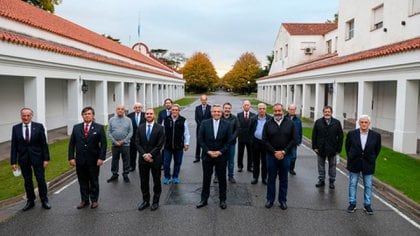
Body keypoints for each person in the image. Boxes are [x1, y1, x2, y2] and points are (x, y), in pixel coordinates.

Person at [10, 108, 51, 211]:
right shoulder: (16, 128)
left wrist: (46, 159)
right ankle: (30, 201)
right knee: (27, 180)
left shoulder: (39, 126)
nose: (26, 117)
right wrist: (14, 161)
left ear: (31, 116)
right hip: (23, 159)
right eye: (24, 115)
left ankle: (44, 200)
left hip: (38, 158)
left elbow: (43, 144)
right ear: (21, 116)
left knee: (40, 179)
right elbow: (14, 146)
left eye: (28, 115)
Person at [68, 107, 107, 209]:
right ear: (82, 116)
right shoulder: (76, 127)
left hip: (94, 160)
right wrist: (71, 157)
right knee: (82, 181)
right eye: (85, 114)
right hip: (80, 160)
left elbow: (103, 144)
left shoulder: (99, 127)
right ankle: (84, 200)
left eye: (89, 114)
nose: (87, 115)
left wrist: (101, 158)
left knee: (94, 180)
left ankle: (94, 200)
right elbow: (72, 144)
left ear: (93, 115)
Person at [196, 104, 232, 210]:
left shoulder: (227, 124)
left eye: (218, 112)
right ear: (211, 113)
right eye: (214, 111)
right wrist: (208, 151)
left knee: (222, 179)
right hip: (207, 156)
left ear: (221, 113)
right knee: (206, 178)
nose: (216, 113)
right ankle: (204, 199)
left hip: (221, 156)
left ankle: (222, 200)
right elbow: (200, 139)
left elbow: (229, 141)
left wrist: (220, 152)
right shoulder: (204, 123)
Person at [263, 103, 296, 209]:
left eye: (279, 111)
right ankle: (270, 200)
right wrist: (274, 152)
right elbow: (265, 140)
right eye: (275, 111)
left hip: (285, 156)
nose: (277, 113)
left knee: (283, 179)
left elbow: (294, 139)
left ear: (283, 111)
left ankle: (282, 201)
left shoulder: (290, 123)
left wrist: (284, 152)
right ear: (273, 112)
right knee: (271, 179)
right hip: (272, 156)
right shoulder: (268, 123)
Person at [346, 115, 381, 215]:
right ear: (359, 123)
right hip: (354, 162)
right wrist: (352, 157)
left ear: (369, 124)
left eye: (366, 122)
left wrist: (371, 158)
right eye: (362, 122)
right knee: (353, 183)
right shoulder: (352, 134)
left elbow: (377, 150)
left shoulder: (376, 136)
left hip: (368, 163)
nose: (364, 124)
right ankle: (352, 203)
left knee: (368, 185)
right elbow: (348, 147)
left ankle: (367, 204)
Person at [136, 108, 165, 211]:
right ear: (145, 116)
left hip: (155, 159)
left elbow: (160, 144)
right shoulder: (140, 128)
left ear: (154, 116)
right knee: (144, 181)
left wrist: (151, 155)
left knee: (156, 181)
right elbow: (137, 143)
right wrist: (144, 155)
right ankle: (145, 201)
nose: (149, 115)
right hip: (143, 159)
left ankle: (155, 202)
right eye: (147, 114)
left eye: (151, 114)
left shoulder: (160, 128)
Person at [312, 105, 344, 189]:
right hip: (320, 148)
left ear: (331, 112)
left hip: (332, 148)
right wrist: (314, 146)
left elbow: (341, 136)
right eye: (325, 111)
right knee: (321, 166)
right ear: (323, 113)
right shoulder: (318, 122)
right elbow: (314, 135)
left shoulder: (337, 123)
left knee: (332, 166)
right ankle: (321, 180)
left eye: (328, 111)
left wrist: (339, 148)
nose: (327, 113)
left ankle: (331, 181)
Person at [163, 104, 190, 184]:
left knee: (178, 162)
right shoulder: (166, 119)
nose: (174, 111)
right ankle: (167, 177)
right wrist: (161, 144)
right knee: (166, 163)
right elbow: (162, 132)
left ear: (179, 111)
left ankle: (175, 177)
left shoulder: (183, 120)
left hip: (179, 146)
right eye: (173, 110)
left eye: (176, 110)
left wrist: (186, 143)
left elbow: (186, 133)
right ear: (171, 110)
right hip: (167, 146)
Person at [107, 105, 133, 183]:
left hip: (125, 144)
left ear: (124, 111)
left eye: (122, 109)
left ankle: (125, 174)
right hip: (115, 145)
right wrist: (115, 142)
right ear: (116, 110)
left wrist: (123, 141)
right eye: (118, 109)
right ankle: (114, 174)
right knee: (115, 160)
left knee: (126, 160)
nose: (120, 110)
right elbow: (108, 132)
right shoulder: (111, 120)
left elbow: (131, 132)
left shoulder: (128, 120)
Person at [249, 103, 272, 185]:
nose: (262, 110)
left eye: (263, 109)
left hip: (266, 143)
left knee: (265, 162)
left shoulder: (270, 119)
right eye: (260, 109)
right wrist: (251, 140)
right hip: (256, 143)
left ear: (265, 109)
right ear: (258, 109)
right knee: (255, 161)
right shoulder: (253, 119)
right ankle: (255, 177)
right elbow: (250, 131)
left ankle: (264, 178)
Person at [220, 102, 239, 183]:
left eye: (229, 108)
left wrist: (231, 139)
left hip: (231, 144)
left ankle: (230, 176)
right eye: (226, 108)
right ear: (223, 109)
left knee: (231, 161)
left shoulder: (234, 118)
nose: (227, 109)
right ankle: (217, 176)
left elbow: (237, 130)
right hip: (220, 144)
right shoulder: (219, 117)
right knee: (219, 160)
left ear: (230, 109)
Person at [236, 100, 255, 172]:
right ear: (243, 106)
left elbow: (254, 127)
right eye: (245, 105)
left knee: (250, 153)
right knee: (240, 152)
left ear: (250, 106)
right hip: (241, 137)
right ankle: (240, 166)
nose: (246, 106)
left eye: (248, 105)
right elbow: (238, 126)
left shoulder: (253, 115)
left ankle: (250, 166)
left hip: (250, 137)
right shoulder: (239, 114)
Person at [284, 104, 302, 175]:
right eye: (290, 109)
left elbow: (300, 131)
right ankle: (284, 168)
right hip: (285, 141)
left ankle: (291, 169)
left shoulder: (298, 120)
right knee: (284, 156)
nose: (292, 111)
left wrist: (299, 140)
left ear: (295, 110)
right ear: (288, 110)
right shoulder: (284, 118)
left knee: (293, 157)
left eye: (293, 109)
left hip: (294, 142)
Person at [127, 102, 145, 171]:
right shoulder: (129, 115)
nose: (138, 109)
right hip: (132, 138)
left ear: (141, 108)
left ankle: (143, 166)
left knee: (142, 153)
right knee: (132, 154)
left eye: (139, 107)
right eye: (136, 107)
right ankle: (132, 166)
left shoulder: (145, 115)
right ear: (134, 108)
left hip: (142, 138)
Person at [194, 94, 211, 163]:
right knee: (198, 142)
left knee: (206, 142)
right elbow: (196, 118)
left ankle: (205, 156)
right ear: (201, 100)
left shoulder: (210, 108)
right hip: (199, 128)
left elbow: (211, 118)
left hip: (207, 129)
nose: (204, 101)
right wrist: (201, 125)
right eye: (202, 100)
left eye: (205, 100)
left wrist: (206, 126)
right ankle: (197, 157)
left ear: (206, 100)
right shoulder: (197, 108)